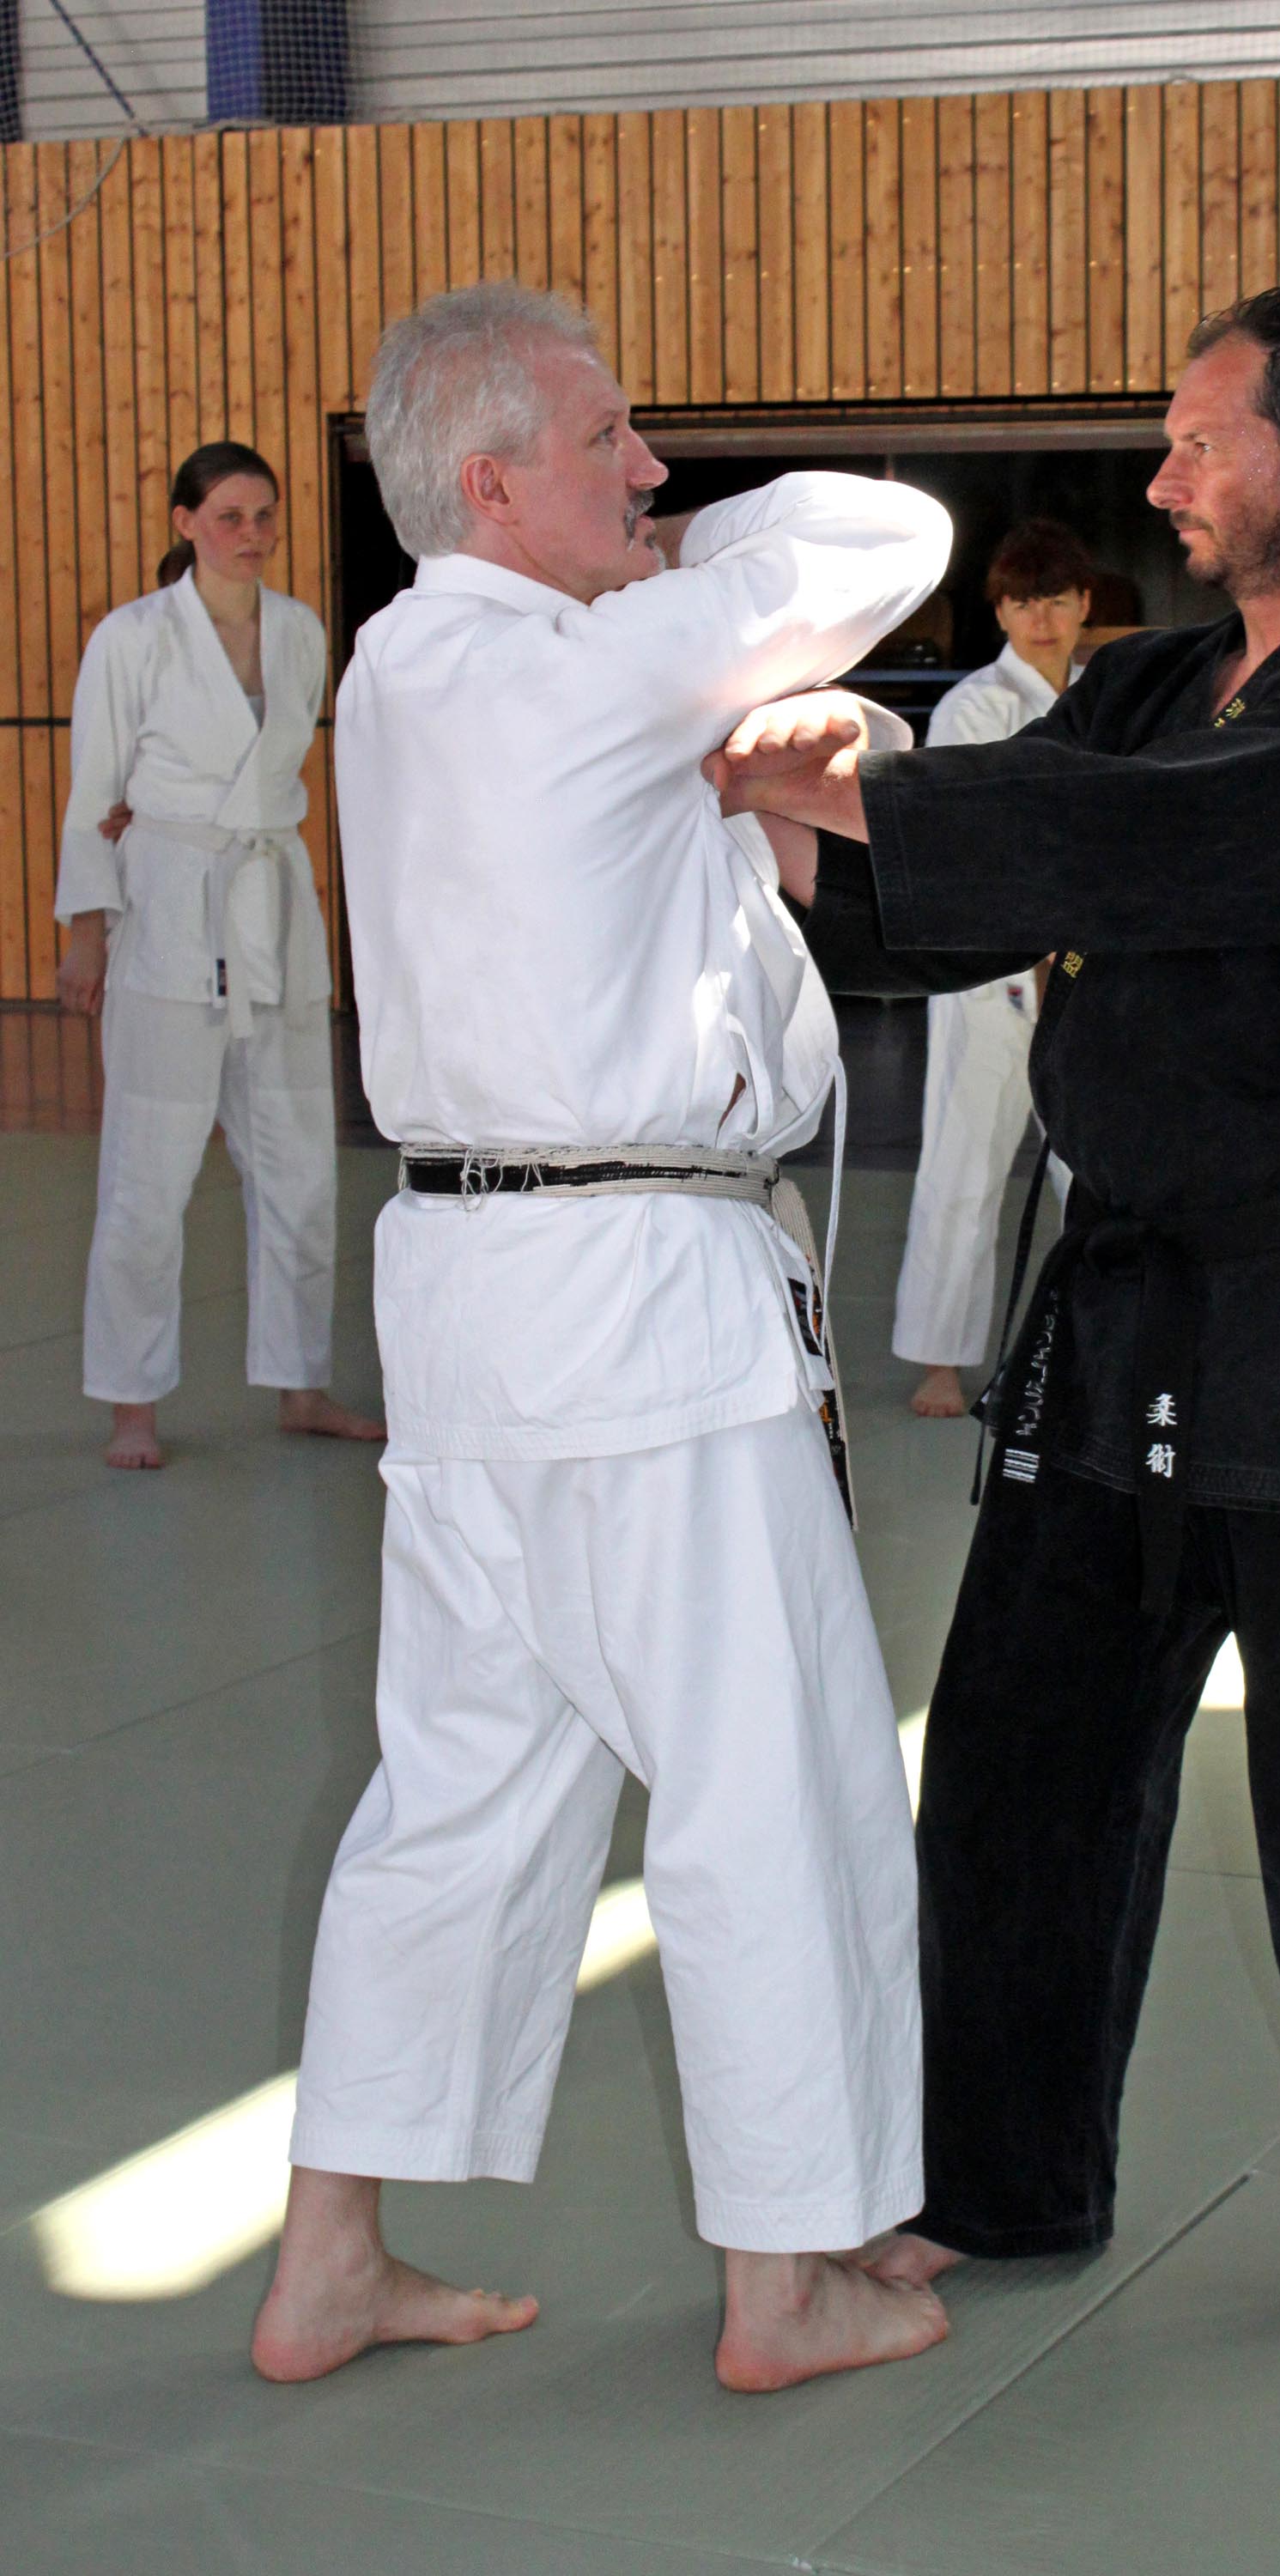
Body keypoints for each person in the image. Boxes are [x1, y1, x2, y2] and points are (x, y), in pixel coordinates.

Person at [714, 286, 1280, 2336]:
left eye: (1200, 440)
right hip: (1117, 1296)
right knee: (1021, 1759)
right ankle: (999, 2179)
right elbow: (997, 890)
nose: (1164, 477)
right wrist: (778, 816)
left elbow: (1174, 847)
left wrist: (863, 790)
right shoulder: (1152, 679)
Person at [251, 283, 955, 2397]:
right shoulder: (574, 669)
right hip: (639, 1313)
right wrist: (683, 574)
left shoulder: (400, 673)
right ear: (486, 486)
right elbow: (890, 533)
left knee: (462, 1790)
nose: (649, 472)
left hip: (474, 1310)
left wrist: (650, 586)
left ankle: (327, 2258)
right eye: (608, 442)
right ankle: (783, 2279)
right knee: (774, 1779)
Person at [52, 443, 383, 1470]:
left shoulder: (300, 632)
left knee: (299, 1169)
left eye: (265, 515)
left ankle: (301, 1386)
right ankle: (131, 1405)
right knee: (146, 1175)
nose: (252, 534)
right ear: (186, 522)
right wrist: (86, 931)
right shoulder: (132, 637)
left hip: (272, 907)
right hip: (168, 909)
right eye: (231, 516)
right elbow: (93, 790)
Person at [893, 519, 1089, 1419]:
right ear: (1000, 611)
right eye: (1022, 602)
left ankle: (1096, 1351)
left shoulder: (1106, 697)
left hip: (1087, 963)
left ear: (1083, 605)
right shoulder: (974, 706)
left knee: (1092, 1171)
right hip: (990, 971)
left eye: (1056, 600)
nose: (1040, 618)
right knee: (964, 1161)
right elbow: (972, 837)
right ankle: (940, 1361)